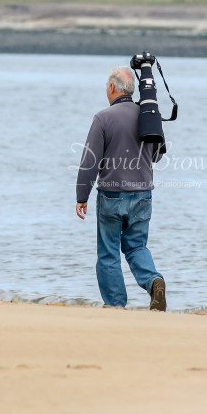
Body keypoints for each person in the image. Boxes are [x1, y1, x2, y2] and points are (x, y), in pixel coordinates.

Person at [75, 66, 167, 311]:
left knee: (108, 253)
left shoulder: (103, 118)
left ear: (112, 87)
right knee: (137, 246)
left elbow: (89, 162)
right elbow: (157, 155)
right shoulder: (148, 115)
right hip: (143, 195)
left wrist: (81, 195)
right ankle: (154, 281)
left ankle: (115, 305)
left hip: (111, 196)